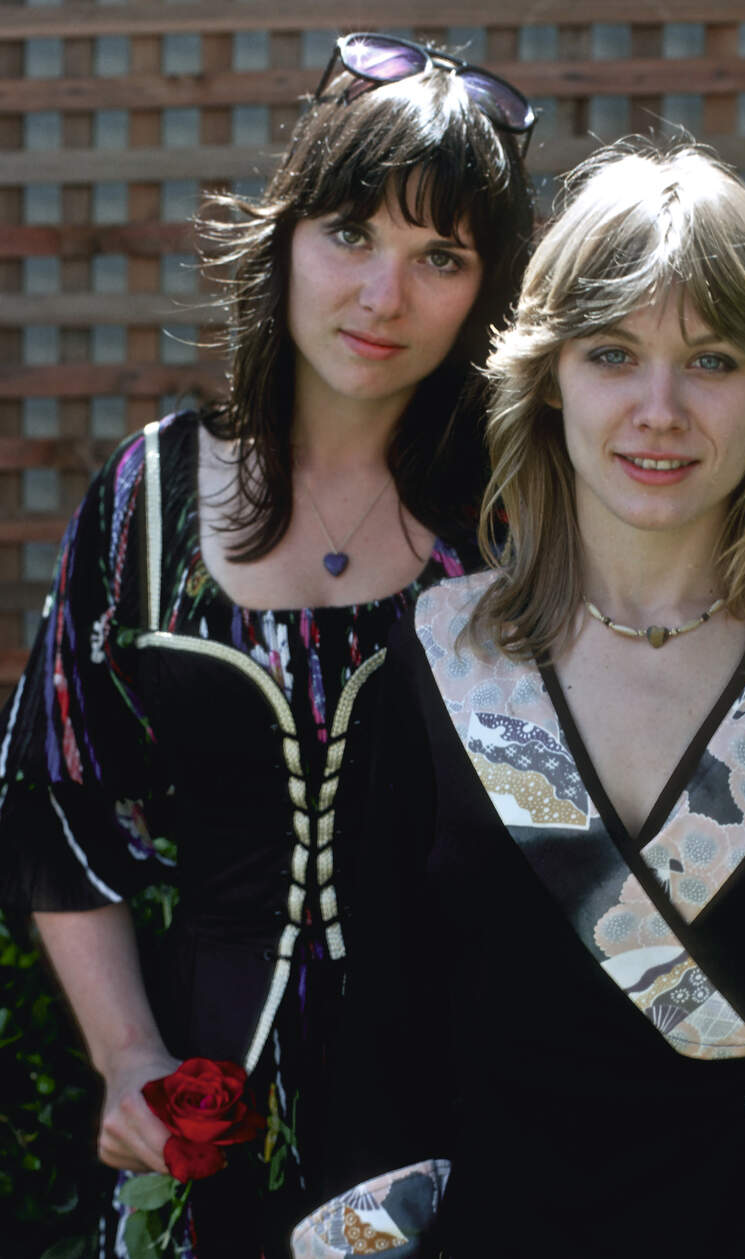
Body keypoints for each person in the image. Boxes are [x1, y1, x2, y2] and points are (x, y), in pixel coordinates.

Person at [298, 138, 745, 1259]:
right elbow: (380, 1044)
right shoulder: (434, 665)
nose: (659, 408)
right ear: (549, 377)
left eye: (712, 359)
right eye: (613, 352)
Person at [0, 32, 535, 1259]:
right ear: (286, 235)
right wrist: (129, 1054)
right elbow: (63, 796)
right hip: (210, 1132)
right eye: (351, 234)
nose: (382, 297)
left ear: (484, 288)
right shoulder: (153, 504)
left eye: (438, 256)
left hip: (473, 1134)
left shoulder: (516, 519)